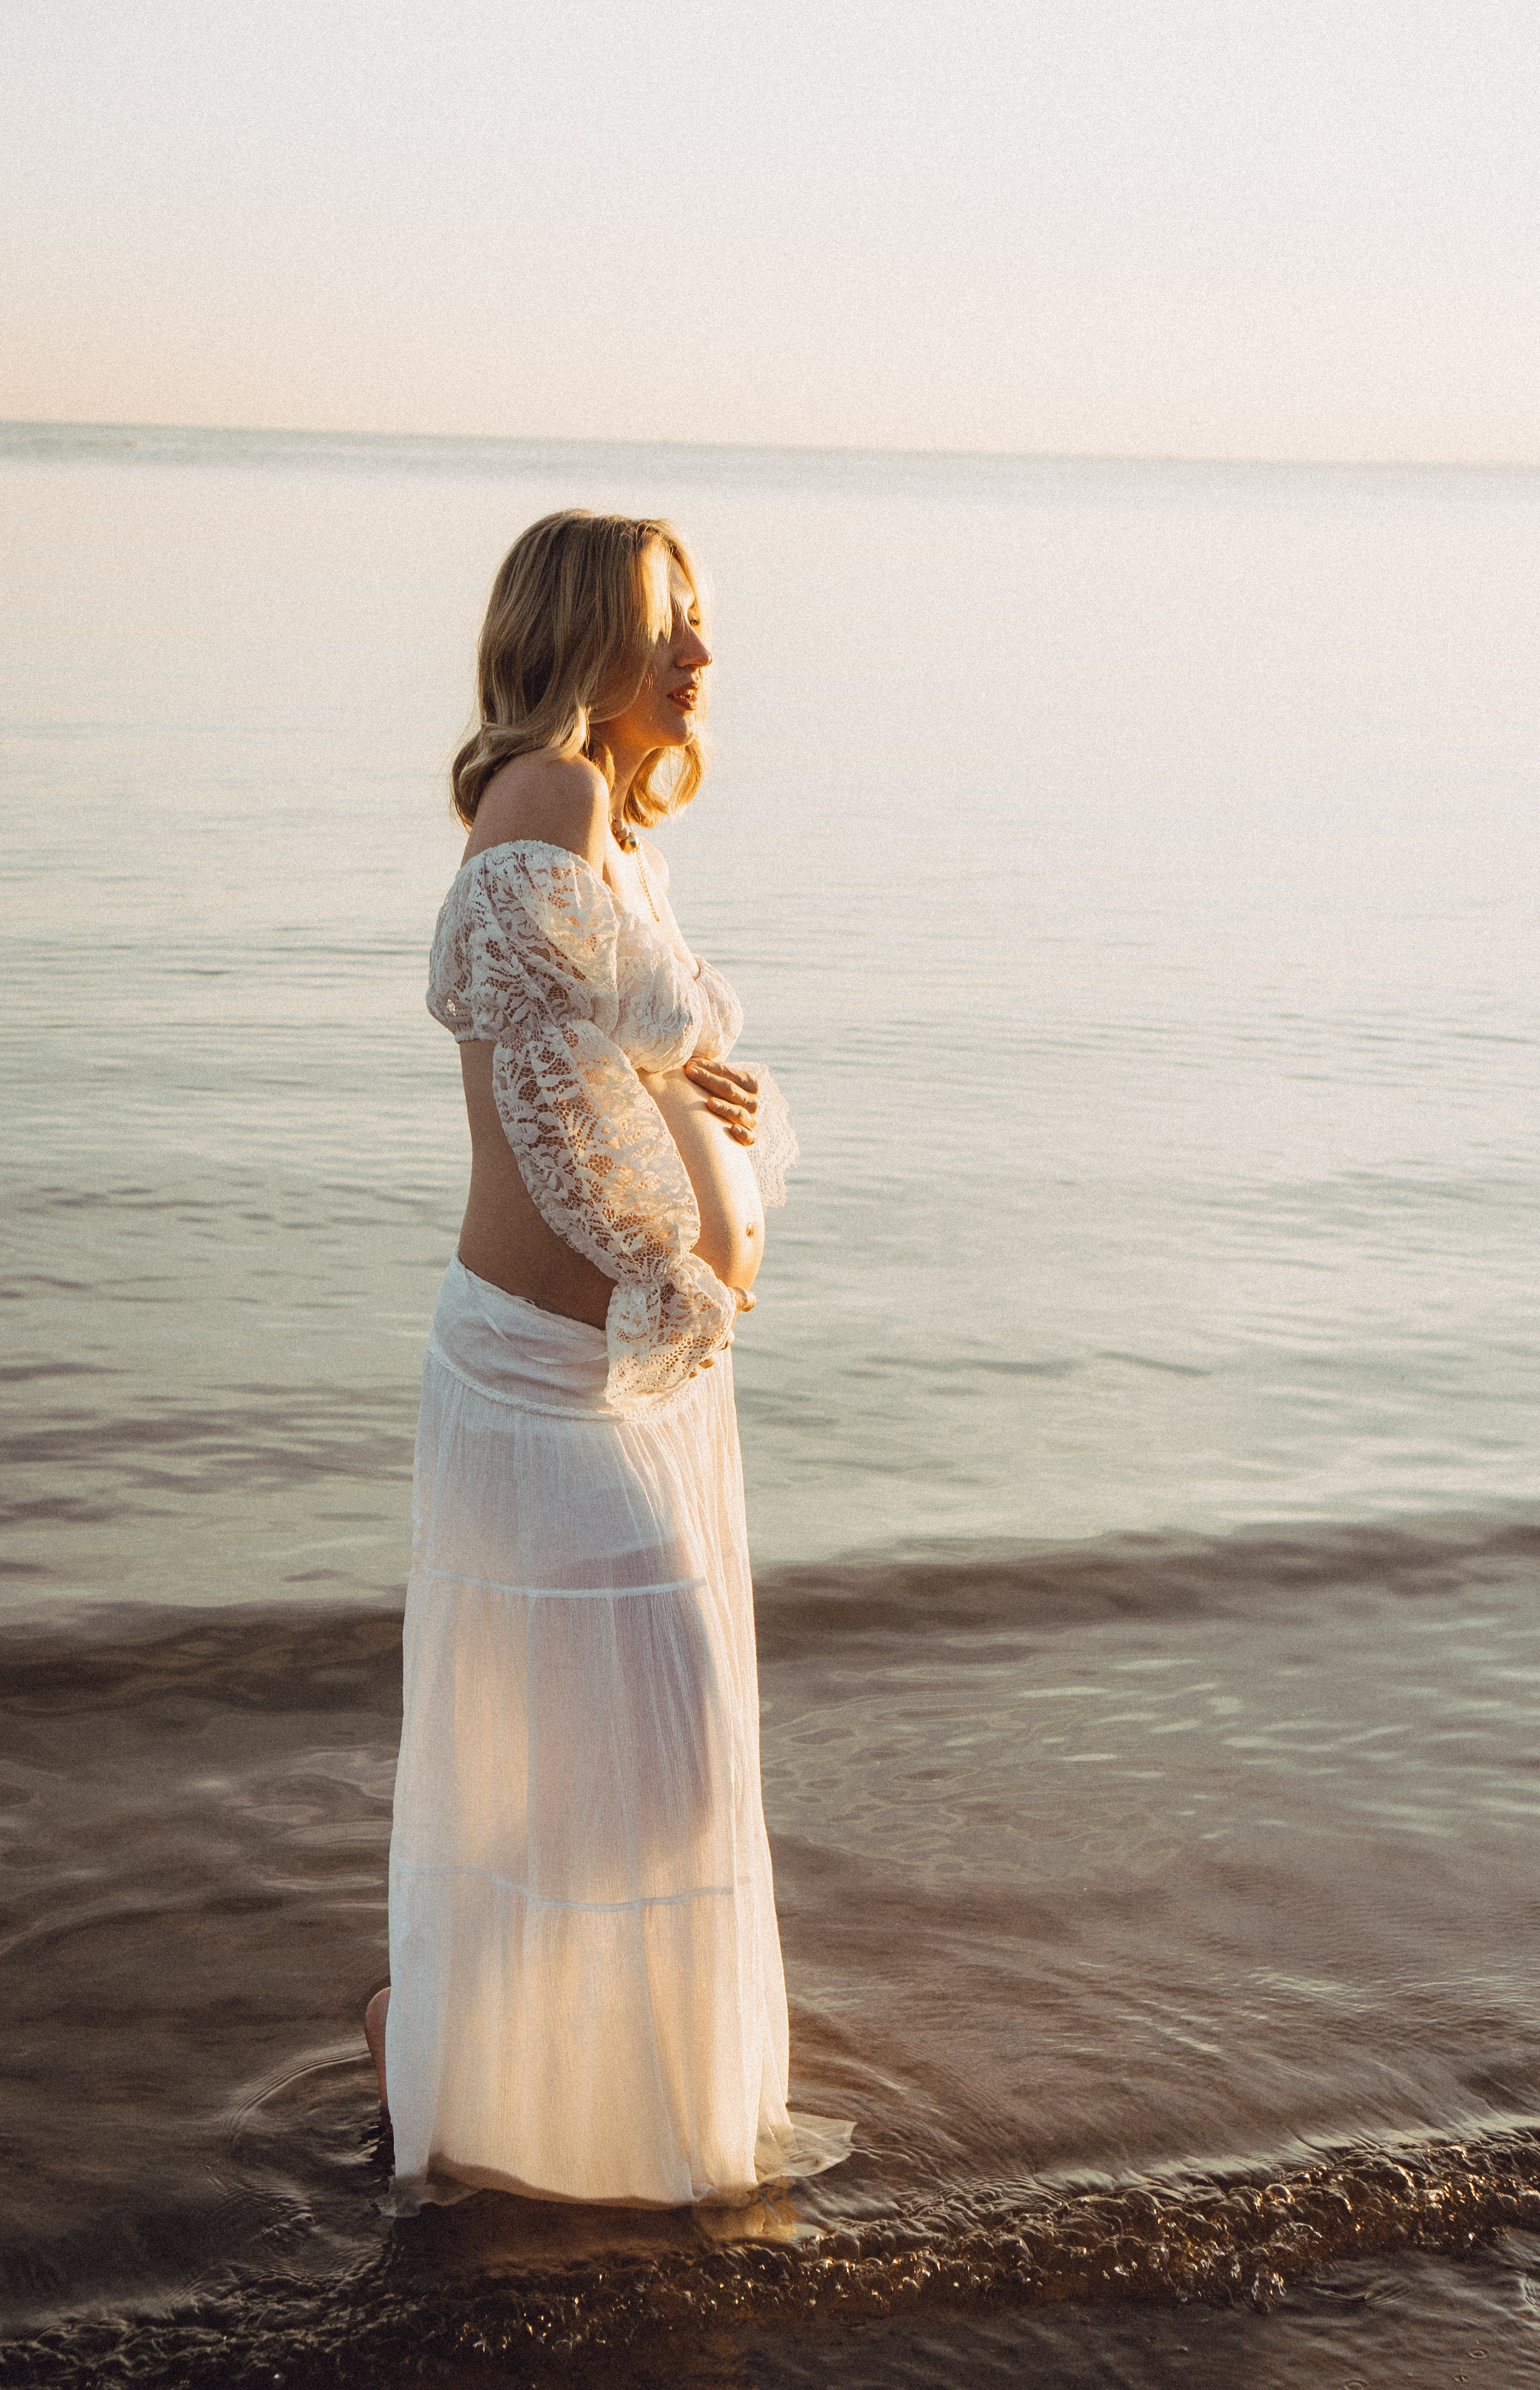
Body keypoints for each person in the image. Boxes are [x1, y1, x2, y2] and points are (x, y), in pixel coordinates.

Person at [365, 510, 850, 2208]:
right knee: (665, 1765)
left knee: (619, 1771)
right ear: (583, 637)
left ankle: (516, 2095)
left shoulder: (616, 839)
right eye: (669, 622)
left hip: (624, 1383)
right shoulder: (547, 800)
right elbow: (549, 1118)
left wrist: (735, 1136)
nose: (703, 653)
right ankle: (473, 2063)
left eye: (703, 618)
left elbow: (642, 1085)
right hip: (542, 1382)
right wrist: (676, 1280)